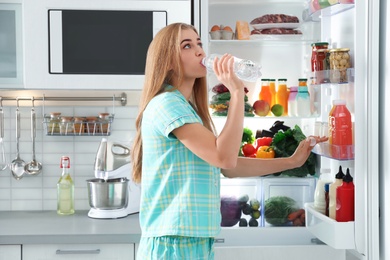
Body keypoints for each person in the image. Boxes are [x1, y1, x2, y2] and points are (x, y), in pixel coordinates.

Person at [131, 22, 327, 260]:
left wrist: (291, 162)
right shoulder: (167, 104)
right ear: (168, 61)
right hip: (173, 242)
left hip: (191, 240)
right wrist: (236, 92)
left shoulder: (186, 108)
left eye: (199, 43)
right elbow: (222, 155)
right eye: (187, 46)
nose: (200, 51)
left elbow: (228, 166)